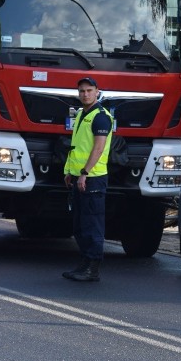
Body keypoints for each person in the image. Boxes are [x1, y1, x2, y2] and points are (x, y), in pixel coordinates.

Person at [62, 76, 113, 281]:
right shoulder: (83, 114)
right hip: (79, 177)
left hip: (93, 179)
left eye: (89, 90)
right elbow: (76, 147)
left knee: (92, 225)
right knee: (80, 225)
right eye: (82, 91)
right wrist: (69, 172)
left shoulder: (101, 117)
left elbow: (98, 148)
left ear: (97, 92)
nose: (85, 94)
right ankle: (83, 264)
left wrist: (84, 173)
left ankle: (92, 269)